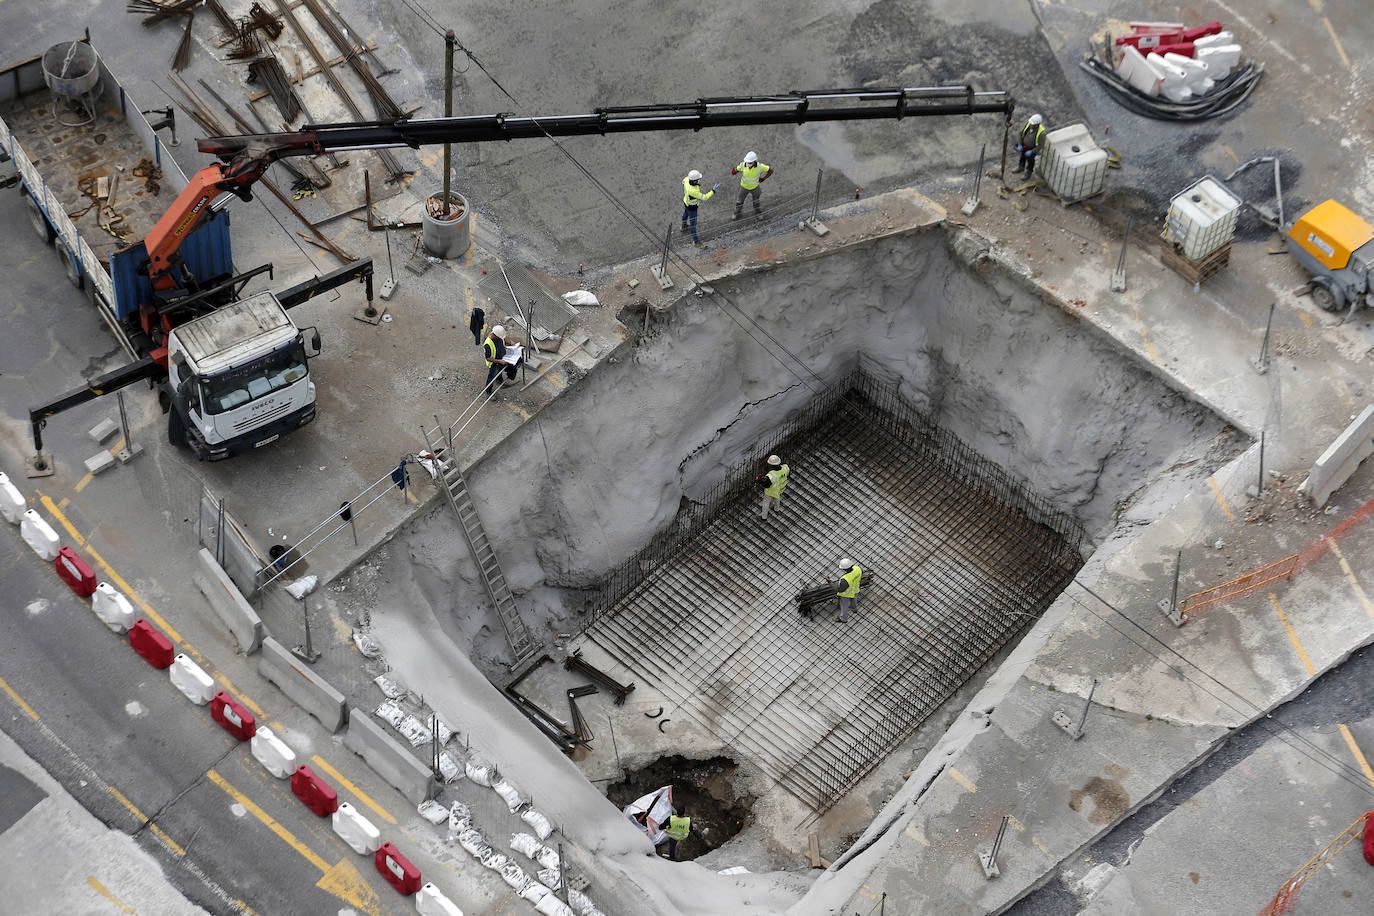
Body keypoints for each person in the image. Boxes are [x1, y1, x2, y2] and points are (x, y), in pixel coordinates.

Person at [681, 169, 718, 248]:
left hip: (686, 202)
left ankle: (683, 226)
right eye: (697, 180)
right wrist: (713, 191)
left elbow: (683, 182)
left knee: (685, 214)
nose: (698, 181)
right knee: (693, 225)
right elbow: (704, 197)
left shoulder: (687, 179)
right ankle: (696, 242)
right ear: (694, 181)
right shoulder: (693, 191)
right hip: (692, 208)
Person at [731, 151, 773, 220]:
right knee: (739, 201)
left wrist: (764, 178)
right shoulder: (743, 165)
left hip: (755, 187)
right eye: (747, 162)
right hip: (744, 187)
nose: (748, 164)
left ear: (754, 161)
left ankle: (758, 212)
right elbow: (735, 170)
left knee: (756, 201)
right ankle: (736, 212)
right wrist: (734, 171)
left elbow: (771, 170)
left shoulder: (760, 167)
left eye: (750, 163)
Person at [483, 324, 520, 395]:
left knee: (511, 367)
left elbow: (504, 338)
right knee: (491, 377)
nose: (501, 338)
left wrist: (510, 342)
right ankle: (488, 392)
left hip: (503, 358)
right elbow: (488, 358)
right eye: (500, 337)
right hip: (495, 363)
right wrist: (499, 361)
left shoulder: (498, 335)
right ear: (495, 335)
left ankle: (500, 380)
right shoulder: (488, 344)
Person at [757, 454, 789, 520]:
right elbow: (787, 475)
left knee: (766, 503)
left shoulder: (771, 475)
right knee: (777, 498)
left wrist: (760, 480)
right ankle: (776, 509)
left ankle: (763, 517)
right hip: (780, 489)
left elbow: (766, 485)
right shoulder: (785, 468)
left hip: (770, 493)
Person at [835, 558, 862, 623]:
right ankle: (854, 609)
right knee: (854, 598)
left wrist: (830, 583)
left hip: (846, 594)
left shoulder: (845, 579)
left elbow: (840, 589)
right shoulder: (857, 568)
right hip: (855, 589)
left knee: (844, 606)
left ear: (844, 569)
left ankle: (843, 619)